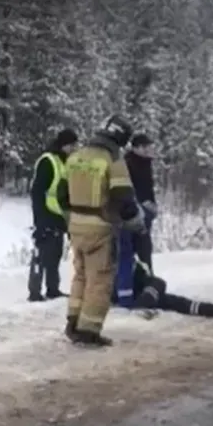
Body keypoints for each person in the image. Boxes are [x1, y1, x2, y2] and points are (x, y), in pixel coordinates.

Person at [56, 115, 143, 347]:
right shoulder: (113, 160)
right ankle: (89, 330)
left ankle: (73, 322)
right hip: (100, 226)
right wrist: (136, 222)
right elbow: (124, 198)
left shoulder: (76, 157)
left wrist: (71, 217)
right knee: (100, 279)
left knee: (80, 275)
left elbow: (61, 195)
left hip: (76, 226)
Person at [28, 128, 78, 302]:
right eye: (71, 145)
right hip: (46, 215)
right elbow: (37, 192)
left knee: (55, 255)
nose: (74, 149)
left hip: (59, 216)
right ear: (63, 144)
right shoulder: (48, 161)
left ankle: (52, 288)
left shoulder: (65, 162)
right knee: (41, 255)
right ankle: (34, 291)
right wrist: (39, 220)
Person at [113, 134, 158, 308]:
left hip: (145, 213)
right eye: (145, 147)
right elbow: (128, 191)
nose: (149, 150)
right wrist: (142, 206)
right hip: (132, 215)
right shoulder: (128, 163)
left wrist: (152, 206)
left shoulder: (145, 163)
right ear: (136, 148)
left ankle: (145, 284)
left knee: (145, 250)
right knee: (131, 251)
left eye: (149, 146)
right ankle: (129, 290)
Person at [126, 255, 213, 319]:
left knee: (171, 298)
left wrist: (147, 297)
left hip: (141, 294)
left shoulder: (136, 267)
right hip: (130, 297)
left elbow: (157, 282)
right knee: (168, 298)